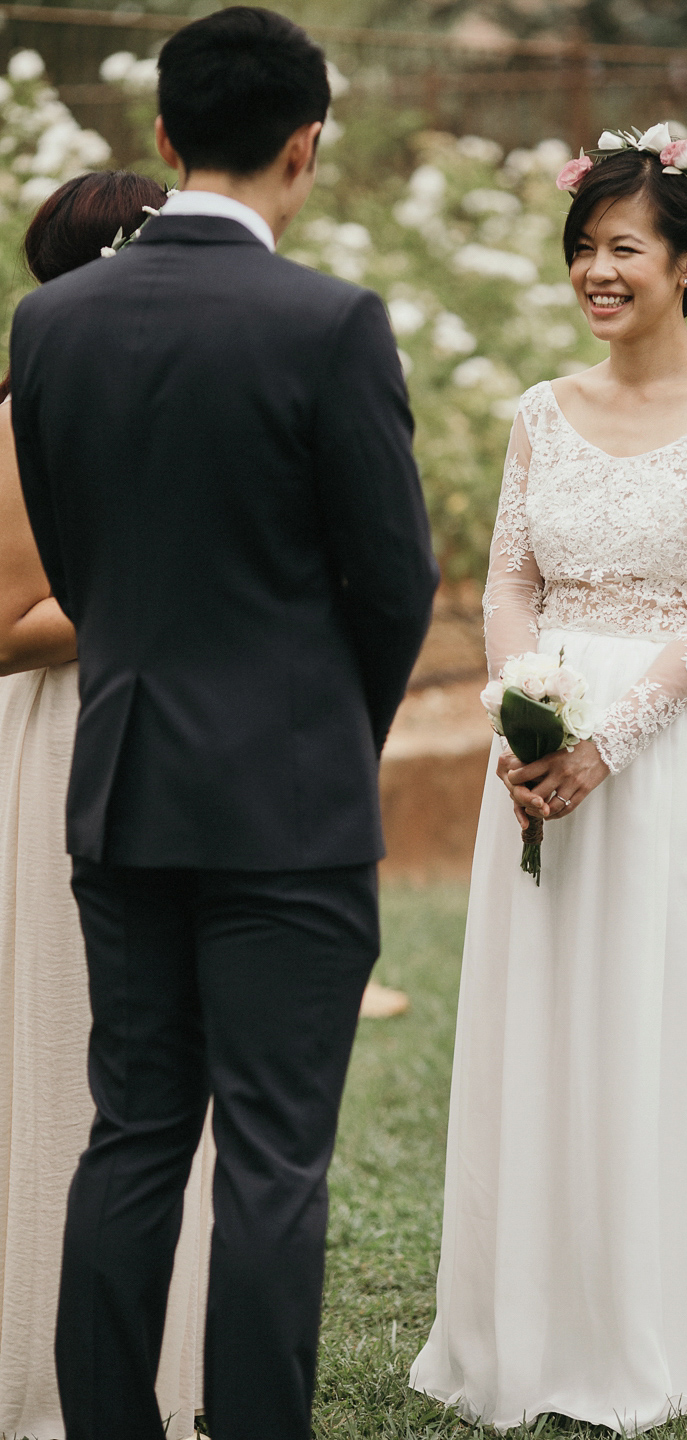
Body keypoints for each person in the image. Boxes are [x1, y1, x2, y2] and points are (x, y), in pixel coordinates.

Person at [10, 9, 438, 1438]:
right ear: (306, 146)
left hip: (121, 792)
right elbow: (394, 583)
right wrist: (328, 730)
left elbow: (77, 568)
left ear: (165, 139)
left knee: (127, 1140)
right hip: (289, 808)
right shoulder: (331, 324)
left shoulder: (50, 322)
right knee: (270, 1162)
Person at [411, 127, 687, 1431]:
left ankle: (669, 1321)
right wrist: (521, 716)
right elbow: (508, 579)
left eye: (622, 249)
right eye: (582, 249)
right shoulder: (541, 410)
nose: (596, 270)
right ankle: (532, 1318)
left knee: (664, 1018)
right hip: (535, 747)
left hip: (673, 758)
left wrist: (604, 743)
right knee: (548, 1020)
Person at [0, 169, 214, 1440]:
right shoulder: (33, 411)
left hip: (191, 759)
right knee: (81, 1056)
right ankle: (45, 1380)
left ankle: (169, 1375)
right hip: (75, 748)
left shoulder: (202, 406)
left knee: (174, 1068)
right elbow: (9, 626)